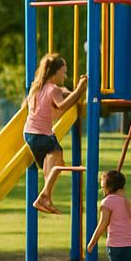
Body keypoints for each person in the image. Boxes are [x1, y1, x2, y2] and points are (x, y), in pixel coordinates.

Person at [24, 52, 88, 215]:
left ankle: (47, 197)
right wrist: (80, 89)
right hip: (42, 134)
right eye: (64, 72)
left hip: (29, 133)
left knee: (52, 166)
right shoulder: (53, 89)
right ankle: (44, 196)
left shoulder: (36, 88)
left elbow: (53, 100)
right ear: (55, 72)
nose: (65, 75)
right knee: (57, 159)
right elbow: (62, 105)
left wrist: (66, 91)